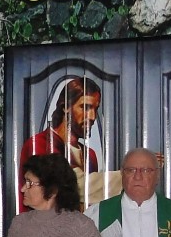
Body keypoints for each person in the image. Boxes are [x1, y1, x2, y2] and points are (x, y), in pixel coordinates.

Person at [19, 75, 119, 210]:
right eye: (85, 107)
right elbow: (72, 185)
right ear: (66, 107)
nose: (92, 116)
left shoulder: (90, 155)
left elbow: (91, 200)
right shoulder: (39, 145)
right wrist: (128, 175)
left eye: (95, 109)